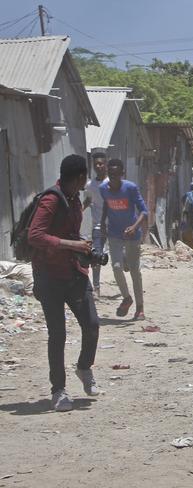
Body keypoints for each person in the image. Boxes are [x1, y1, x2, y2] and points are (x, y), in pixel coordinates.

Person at [29, 154, 100, 412]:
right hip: (49, 276)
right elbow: (34, 235)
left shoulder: (74, 199)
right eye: (85, 178)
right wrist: (72, 244)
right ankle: (58, 390)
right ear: (80, 177)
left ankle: (84, 367)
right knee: (57, 334)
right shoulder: (51, 199)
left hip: (73, 272)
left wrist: (82, 247)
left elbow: (68, 233)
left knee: (91, 325)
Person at [100, 159, 148, 320]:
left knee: (134, 271)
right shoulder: (103, 189)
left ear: (122, 174)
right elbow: (106, 205)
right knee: (116, 266)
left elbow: (144, 211)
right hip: (114, 233)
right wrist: (102, 224)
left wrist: (134, 227)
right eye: (110, 175)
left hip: (132, 234)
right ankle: (127, 298)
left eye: (116, 175)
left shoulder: (130, 188)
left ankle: (140, 308)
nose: (113, 178)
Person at [83, 152, 108, 297]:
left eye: (101, 163)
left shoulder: (113, 183)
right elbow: (88, 200)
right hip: (98, 225)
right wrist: (79, 211)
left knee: (122, 258)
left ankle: (126, 264)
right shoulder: (90, 185)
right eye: (96, 164)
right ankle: (96, 288)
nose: (98, 166)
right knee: (96, 255)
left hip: (115, 225)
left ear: (106, 164)